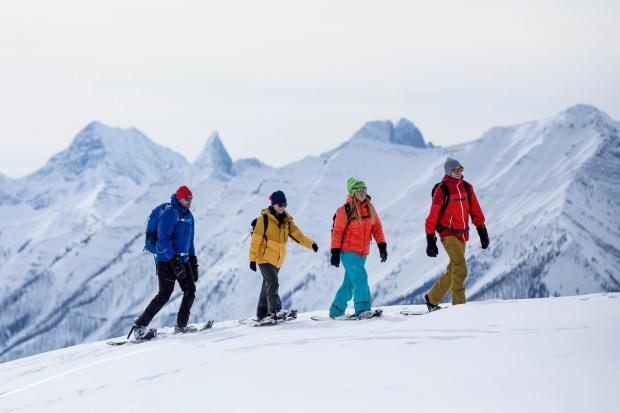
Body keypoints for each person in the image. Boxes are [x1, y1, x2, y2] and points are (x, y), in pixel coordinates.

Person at [132, 185, 199, 340]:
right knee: (164, 295)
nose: (189, 201)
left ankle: (181, 326)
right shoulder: (170, 214)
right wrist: (174, 260)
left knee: (190, 291)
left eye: (191, 198)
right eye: (186, 199)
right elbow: (162, 241)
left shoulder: (189, 216)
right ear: (179, 198)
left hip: (184, 259)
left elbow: (191, 241)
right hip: (166, 261)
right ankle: (140, 326)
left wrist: (193, 261)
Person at [424, 158, 489, 311]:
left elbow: (475, 210)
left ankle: (432, 298)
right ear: (448, 172)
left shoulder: (467, 188)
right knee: (461, 269)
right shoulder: (442, 190)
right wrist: (430, 239)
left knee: (453, 269)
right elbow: (433, 215)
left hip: (462, 234)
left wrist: (482, 231)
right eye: (455, 170)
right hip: (447, 233)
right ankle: (459, 307)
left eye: (460, 170)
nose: (459, 173)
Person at [249, 190, 318, 322]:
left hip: (277, 260)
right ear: (273, 204)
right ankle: (275, 311)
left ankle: (262, 313)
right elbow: (255, 241)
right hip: (264, 258)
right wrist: (252, 259)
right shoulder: (263, 220)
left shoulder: (287, 221)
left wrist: (311, 244)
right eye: (279, 204)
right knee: (273, 283)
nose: (282, 207)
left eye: (284, 205)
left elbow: (298, 235)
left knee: (267, 285)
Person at [329, 177, 387, 319]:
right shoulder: (344, 210)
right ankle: (362, 309)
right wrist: (335, 253)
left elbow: (377, 228)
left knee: (349, 283)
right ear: (352, 192)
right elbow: (337, 232)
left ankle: (336, 310)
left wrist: (382, 246)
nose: (361, 192)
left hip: (362, 253)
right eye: (358, 189)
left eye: (364, 189)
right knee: (361, 278)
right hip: (348, 252)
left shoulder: (370, 208)